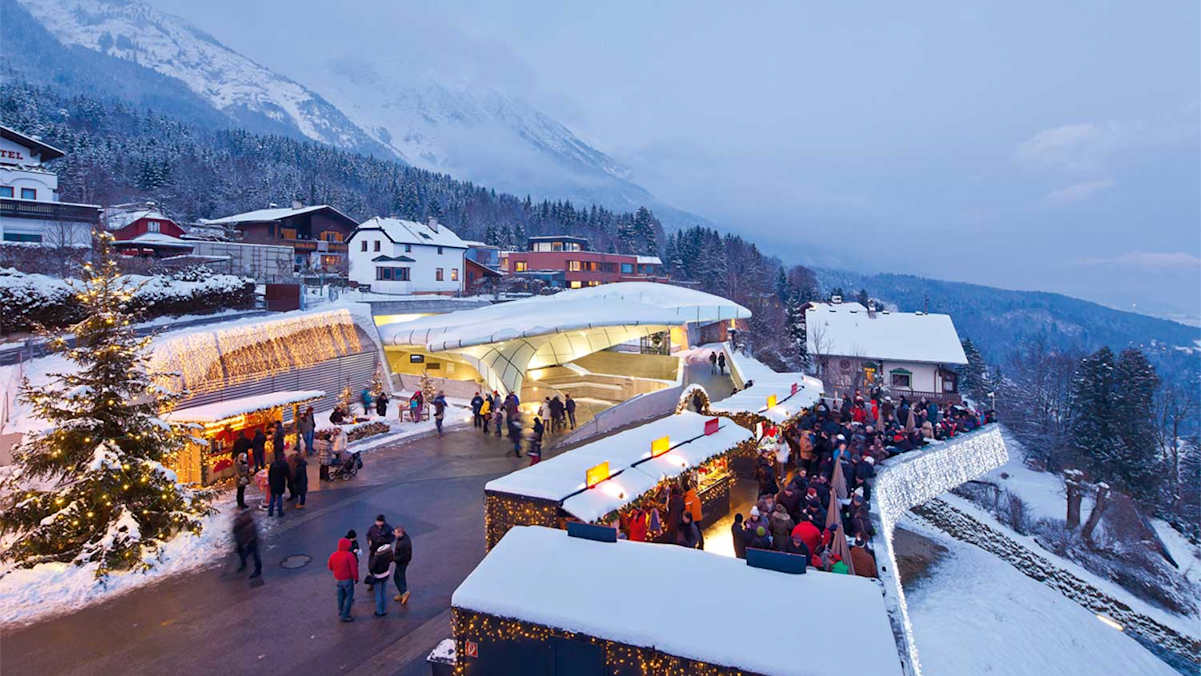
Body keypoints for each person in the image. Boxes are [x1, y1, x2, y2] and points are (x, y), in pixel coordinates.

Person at [327, 537, 359, 622]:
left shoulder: (333, 555)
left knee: (340, 596)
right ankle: (345, 615)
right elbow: (354, 569)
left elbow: (330, 567)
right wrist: (356, 578)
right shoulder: (349, 555)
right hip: (347, 580)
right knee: (349, 597)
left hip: (338, 579)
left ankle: (341, 611)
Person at [368, 541, 395, 616]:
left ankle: (379, 611)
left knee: (378, 594)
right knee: (383, 593)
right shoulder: (388, 552)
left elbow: (372, 567)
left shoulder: (378, 555)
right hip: (386, 574)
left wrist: (370, 571)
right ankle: (384, 610)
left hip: (378, 576)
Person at [233, 508, 262, 579]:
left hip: (251, 542)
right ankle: (244, 564)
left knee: (255, 556)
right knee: (244, 554)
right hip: (243, 542)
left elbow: (252, 534)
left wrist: (249, 540)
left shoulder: (250, 524)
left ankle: (258, 570)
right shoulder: (239, 522)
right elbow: (236, 532)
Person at [392, 526, 412, 605]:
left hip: (401, 563)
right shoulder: (403, 538)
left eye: (396, 533)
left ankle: (404, 592)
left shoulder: (403, 543)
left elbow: (403, 556)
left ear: (400, 533)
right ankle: (402, 593)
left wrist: (393, 558)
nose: (394, 534)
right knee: (397, 577)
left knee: (399, 577)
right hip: (402, 562)